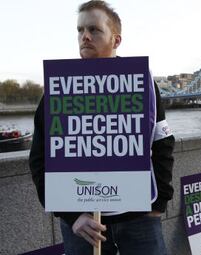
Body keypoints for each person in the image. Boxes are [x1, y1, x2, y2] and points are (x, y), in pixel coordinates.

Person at [29, 1, 175, 254]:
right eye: (80, 30)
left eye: (94, 30)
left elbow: (162, 142)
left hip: (139, 218)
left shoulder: (142, 84)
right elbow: (40, 158)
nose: (84, 36)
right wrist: (71, 215)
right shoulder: (58, 90)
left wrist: (159, 202)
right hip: (83, 223)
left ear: (116, 40)